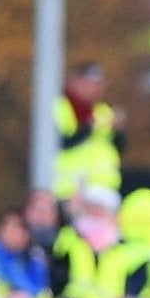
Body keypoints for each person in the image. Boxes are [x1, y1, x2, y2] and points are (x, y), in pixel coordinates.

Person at [53, 61, 124, 201]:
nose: (93, 89)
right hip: (70, 189)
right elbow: (60, 143)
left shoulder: (103, 111)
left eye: (97, 84)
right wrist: (89, 127)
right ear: (74, 82)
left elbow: (118, 147)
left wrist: (119, 131)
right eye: (88, 83)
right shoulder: (60, 108)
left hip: (104, 189)